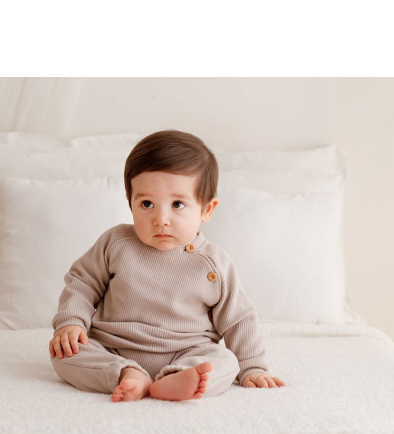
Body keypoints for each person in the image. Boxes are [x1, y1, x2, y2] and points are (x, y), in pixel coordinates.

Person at [49, 129, 285, 402]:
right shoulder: (116, 243)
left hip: (186, 351)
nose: (161, 219)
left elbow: (238, 318)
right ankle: (126, 373)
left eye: (177, 204)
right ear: (130, 203)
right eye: (147, 204)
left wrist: (252, 367)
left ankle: (178, 378)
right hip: (113, 347)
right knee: (64, 353)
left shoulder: (214, 264)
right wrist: (71, 322)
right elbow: (82, 282)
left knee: (225, 361)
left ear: (207, 209)